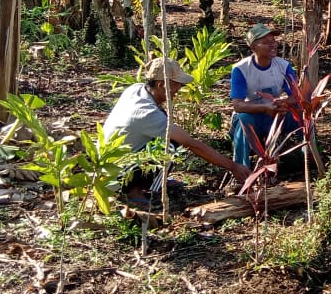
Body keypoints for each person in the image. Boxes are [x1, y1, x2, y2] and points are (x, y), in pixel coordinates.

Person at [103, 57, 249, 206]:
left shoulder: (136, 89)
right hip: (116, 177)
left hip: (108, 166)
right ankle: (134, 192)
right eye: (176, 85)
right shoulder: (146, 113)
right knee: (171, 145)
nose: (179, 89)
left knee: (169, 138)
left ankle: (154, 182)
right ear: (161, 85)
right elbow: (191, 144)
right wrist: (233, 167)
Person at [228, 24, 299, 167]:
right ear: (253, 47)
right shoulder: (241, 69)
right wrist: (265, 108)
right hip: (254, 116)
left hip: (277, 113)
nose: (273, 45)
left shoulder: (283, 66)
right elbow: (238, 105)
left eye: (273, 41)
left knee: (303, 114)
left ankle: (307, 157)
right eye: (266, 42)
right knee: (243, 120)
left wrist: (283, 103)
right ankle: (242, 170)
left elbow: (297, 95)